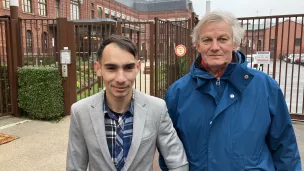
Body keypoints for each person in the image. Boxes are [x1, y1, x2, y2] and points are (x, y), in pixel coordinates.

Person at [159, 11, 302, 171]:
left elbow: (285, 147)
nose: (215, 47)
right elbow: (169, 152)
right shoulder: (177, 92)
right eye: (207, 40)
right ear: (197, 45)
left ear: (235, 43)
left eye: (222, 39)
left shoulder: (265, 87)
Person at [66, 35, 188, 171]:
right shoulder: (80, 111)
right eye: (111, 68)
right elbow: (75, 166)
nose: (121, 78)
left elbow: (177, 161)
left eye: (128, 68)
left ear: (137, 67)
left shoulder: (157, 108)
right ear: (98, 68)